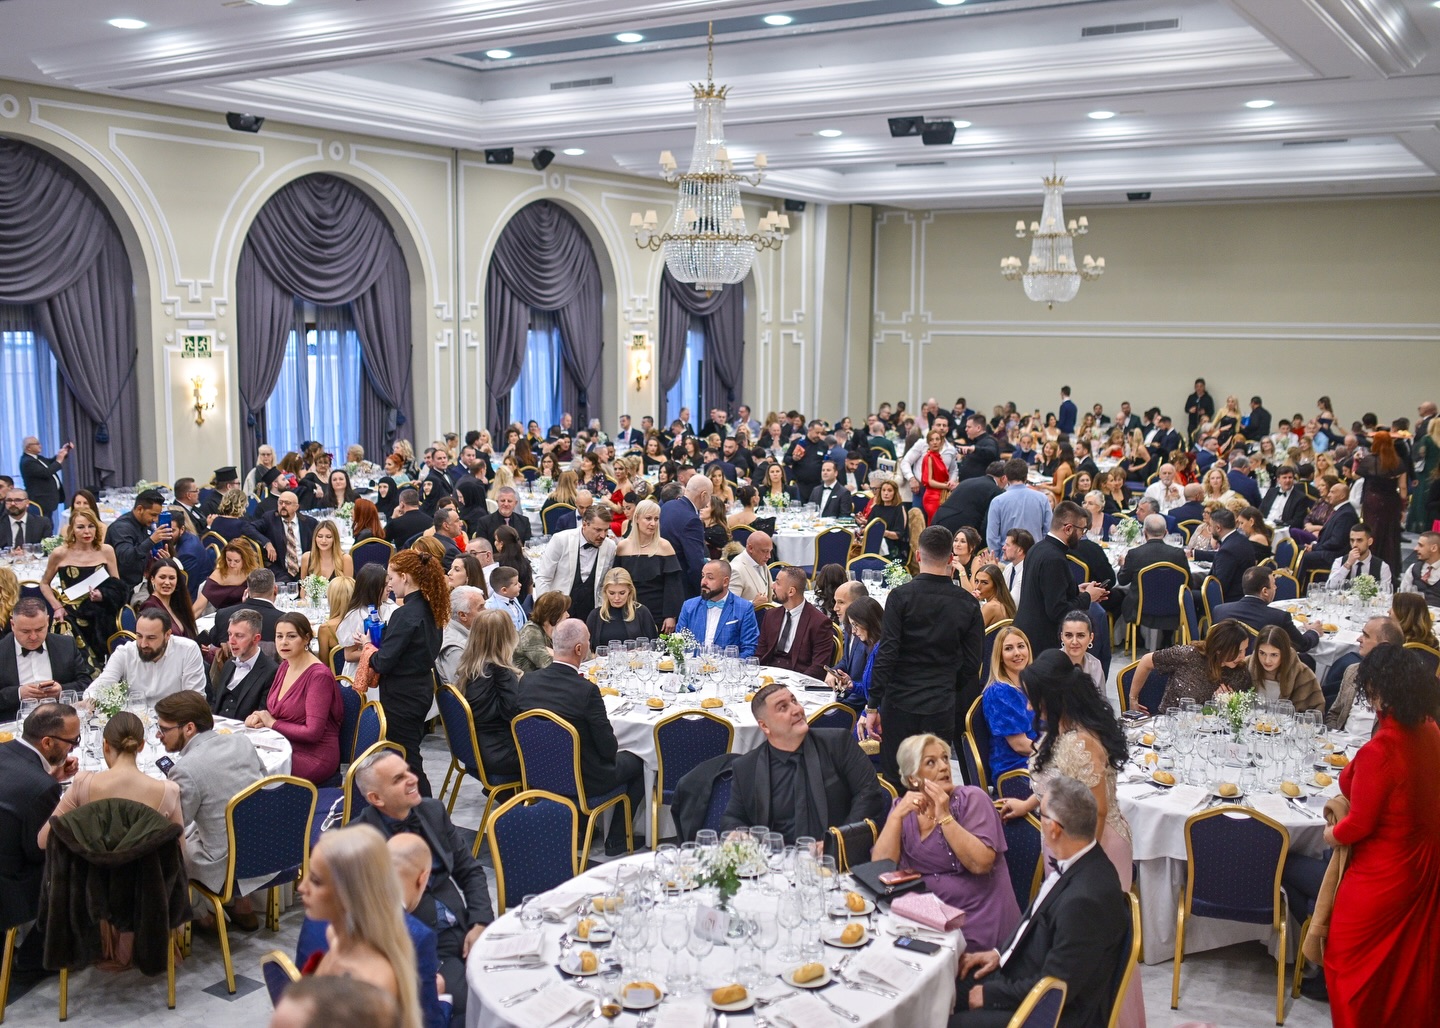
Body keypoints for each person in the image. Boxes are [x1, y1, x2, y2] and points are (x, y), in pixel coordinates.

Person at [1324, 645, 1440, 1027]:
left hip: (1384, 873)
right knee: (1402, 965)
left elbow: (1359, 824)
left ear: (1375, 689)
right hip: (1425, 864)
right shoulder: (1430, 729)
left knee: (1346, 962)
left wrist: (1331, 834)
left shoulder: (1382, 749)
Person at [953, 774, 1128, 1027]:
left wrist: (990, 995)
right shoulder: (1083, 861)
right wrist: (999, 954)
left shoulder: (1084, 901)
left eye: (1041, 815)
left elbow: (1055, 987)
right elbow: (1035, 926)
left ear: (1054, 828)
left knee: (950, 1020)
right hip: (1025, 974)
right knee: (944, 986)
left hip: (1053, 1014)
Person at [35, 710, 184, 969]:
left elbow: (43, 840)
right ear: (142, 745)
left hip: (91, 900)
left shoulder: (83, 784)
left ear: (105, 745)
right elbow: (180, 855)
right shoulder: (168, 791)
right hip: (144, 899)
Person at [353, 749, 495, 996]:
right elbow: (369, 917)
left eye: (408, 771)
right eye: (398, 779)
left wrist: (480, 922)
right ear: (376, 798)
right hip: (417, 946)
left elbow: (469, 871)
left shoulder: (433, 811)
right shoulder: (360, 841)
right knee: (474, 997)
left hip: (463, 926)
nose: (413, 779)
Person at [873, 733, 1019, 952]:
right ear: (913, 779)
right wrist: (896, 817)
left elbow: (981, 863)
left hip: (977, 923)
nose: (944, 767)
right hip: (924, 920)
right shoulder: (904, 809)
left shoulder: (972, 799)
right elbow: (880, 870)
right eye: (931, 762)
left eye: (944, 758)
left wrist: (944, 816)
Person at [865, 526, 985, 784]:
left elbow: (887, 653)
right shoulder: (967, 603)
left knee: (898, 780)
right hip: (940, 703)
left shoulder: (900, 597)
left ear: (918, 556)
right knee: (934, 781)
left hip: (899, 702)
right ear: (951, 558)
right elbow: (973, 662)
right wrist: (948, 685)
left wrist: (872, 704)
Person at [516, 619, 645, 854]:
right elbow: (608, 749)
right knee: (641, 761)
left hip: (537, 773)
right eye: (588, 641)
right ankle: (616, 839)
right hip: (584, 782)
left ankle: (583, 828)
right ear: (579, 649)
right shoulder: (586, 691)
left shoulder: (527, 681)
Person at [154, 690, 268, 924]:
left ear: (189, 728)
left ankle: (202, 916)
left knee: (168, 848)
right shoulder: (242, 741)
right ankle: (243, 905)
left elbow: (177, 823)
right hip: (264, 846)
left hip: (224, 861)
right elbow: (264, 784)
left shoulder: (184, 769)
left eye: (163, 729)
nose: (158, 735)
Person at [722, 683, 887, 843]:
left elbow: (869, 794)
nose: (797, 710)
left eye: (794, 701)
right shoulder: (747, 767)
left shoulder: (838, 744)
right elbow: (734, 817)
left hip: (836, 856)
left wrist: (836, 841)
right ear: (764, 726)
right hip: (777, 857)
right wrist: (738, 834)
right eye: (783, 707)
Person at [295, 825, 423, 1028]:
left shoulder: (372, 982)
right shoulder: (334, 937)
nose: (302, 887)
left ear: (350, 892)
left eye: (316, 881)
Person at [364, 550, 448, 793]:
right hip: (419, 690)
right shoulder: (431, 608)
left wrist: (369, 648)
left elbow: (383, 662)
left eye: (391, 577)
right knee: (408, 755)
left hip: (402, 696)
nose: (389, 584)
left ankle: (425, 809)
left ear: (405, 577)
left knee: (407, 758)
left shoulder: (405, 614)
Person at [0, 703, 77, 946]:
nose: (73, 748)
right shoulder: (42, 788)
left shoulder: (4, 750)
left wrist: (50, 777)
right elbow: (40, 850)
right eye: (73, 741)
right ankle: (44, 952)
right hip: (10, 889)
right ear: (47, 742)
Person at [245, 612, 343, 785]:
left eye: (291, 636)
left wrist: (272, 723)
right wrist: (260, 717)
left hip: (314, 756)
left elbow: (312, 733)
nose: (283, 642)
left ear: (306, 639)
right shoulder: (285, 666)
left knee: (248, 773)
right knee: (238, 759)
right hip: (284, 744)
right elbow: (278, 712)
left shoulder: (318, 676)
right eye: (279, 636)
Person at [1012, 501, 1109, 656]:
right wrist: (1088, 597)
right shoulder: (1054, 558)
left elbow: (1043, 590)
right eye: (1082, 530)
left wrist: (1076, 591)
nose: (1083, 535)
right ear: (1068, 529)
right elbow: (1058, 611)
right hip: (1042, 641)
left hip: (1026, 631)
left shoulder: (1038, 547)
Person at [37, 507, 127, 671]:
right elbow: (44, 584)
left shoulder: (106, 551)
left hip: (100, 614)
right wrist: (57, 607)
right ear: (72, 529)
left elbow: (118, 587)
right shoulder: (60, 553)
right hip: (70, 614)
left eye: (91, 526)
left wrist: (102, 595)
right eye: (81, 527)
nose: (87, 531)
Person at [1127, 619, 1253, 713]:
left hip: (1214, 733)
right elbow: (1146, 661)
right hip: (1171, 724)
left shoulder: (1240, 673)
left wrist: (1230, 705)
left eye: (1245, 650)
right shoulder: (1189, 656)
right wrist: (1133, 698)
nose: (1243, 657)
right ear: (1220, 649)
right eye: (1238, 652)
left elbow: (1245, 713)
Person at [85, 609, 206, 705]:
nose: (143, 644)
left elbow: (195, 698)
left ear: (167, 635)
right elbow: (101, 685)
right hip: (134, 721)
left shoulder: (187, 650)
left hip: (174, 719)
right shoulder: (125, 653)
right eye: (139, 636)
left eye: (151, 638)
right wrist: (89, 703)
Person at [455, 609, 522, 780]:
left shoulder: (470, 668)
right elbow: (516, 715)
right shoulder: (501, 672)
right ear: (507, 637)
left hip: (475, 749)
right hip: (500, 754)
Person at [0, 597, 93, 720]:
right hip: (14, 722)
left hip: (61, 720)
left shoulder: (66, 645)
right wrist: (18, 693)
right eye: (26, 631)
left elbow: (86, 683)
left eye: (39, 629)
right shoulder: (2, 650)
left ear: (48, 621)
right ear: (13, 625)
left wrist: (62, 691)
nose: (33, 637)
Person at [532, 504, 617, 624]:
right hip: (560, 611)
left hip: (592, 613)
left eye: (606, 530)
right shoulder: (561, 540)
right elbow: (543, 578)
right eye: (598, 530)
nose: (603, 535)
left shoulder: (610, 546)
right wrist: (547, 611)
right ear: (584, 524)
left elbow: (603, 584)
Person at [1213, 566, 1321, 655]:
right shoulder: (1279, 617)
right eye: (1274, 584)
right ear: (1265, 591)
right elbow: (1302, 645)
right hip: (1260, 669)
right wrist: (1313, 631)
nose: (1276, 588)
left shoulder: (1219, 610)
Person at [613, 498, 684, 632]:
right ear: (637, 518)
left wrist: (670, 615)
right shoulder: (623, 547)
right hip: (628, 610)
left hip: (658, 613)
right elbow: (616, 582)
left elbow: (673, 586)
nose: (653, 523)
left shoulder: (665, 547)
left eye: (656, 519)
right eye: (648, 518)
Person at [755, 566, 834, 679]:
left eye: (777, 583)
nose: (773, 586)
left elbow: (819, 667)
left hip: (799, 680)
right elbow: (760, 654)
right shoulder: (771, 615)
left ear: (791, 591)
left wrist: (795, 684)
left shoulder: (819, 622)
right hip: (768, 678)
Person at [674, 560, 760, 656]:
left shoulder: (744, 608)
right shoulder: (689, 606)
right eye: (703, 576)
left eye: (710, 578)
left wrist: (731, 664)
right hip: (694, 664)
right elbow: (678, 644)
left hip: (728, 665)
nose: (703, 582)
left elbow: (749, 648)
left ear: (725, 582)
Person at [982, 626, 1036, 777]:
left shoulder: (1031, 684)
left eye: (1021, 646)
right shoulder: (1000, 692)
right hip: (1016, 768)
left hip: (1038, 757)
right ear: (999, 656)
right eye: (1008, 648)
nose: (1017, 653)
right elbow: (1020, 746)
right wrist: (1057, 755)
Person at [208, 608, 281, 720]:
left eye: (239, 636)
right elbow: (215, 702)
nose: (231, 641)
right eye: (230, 634)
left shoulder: (271, 671)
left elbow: (262, 715)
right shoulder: (229, 664)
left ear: (256, 639)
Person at [1357, 430, 1407, 579]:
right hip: (1391, 501)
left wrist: (1356, 461)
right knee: (1390, 534)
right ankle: (1390, 569)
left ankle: (1370, 566)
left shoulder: (1369, 460)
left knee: (1372, 531)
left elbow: (1354, 475)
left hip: (1372, 500)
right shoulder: (1398, 461)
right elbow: (1403, 488)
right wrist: (1403, 508)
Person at [1247, 625, 1323, 712]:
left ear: (1284, 654)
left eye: (1274, 655)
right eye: (1262, 653)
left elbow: (1315, 712)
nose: (1267, 660)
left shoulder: (1303, 675)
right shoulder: (1245, 666)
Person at [984, 459, 1050, 555]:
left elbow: (992, 536)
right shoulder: (1042, 499)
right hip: (1035, 555)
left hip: (1008, 557)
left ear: (1006, 477)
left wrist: (998, 557)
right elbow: (1048, 531)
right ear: (1026, 476)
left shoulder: (997, 501)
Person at [1189, 506, 1254, 603]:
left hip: (1229, 600)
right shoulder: (1241, 539)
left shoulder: (1227, 551)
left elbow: (1218, 589)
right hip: (1240, 593)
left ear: (1218, 528)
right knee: (1193, 581)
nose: (1209, 529)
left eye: (1210, 526)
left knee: (1183, 594)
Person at [660, 476, 710, 599]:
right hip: (682, 588)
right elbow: (695, 565)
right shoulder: (692, 520)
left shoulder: (668, 505)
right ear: (703, 495)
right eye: (710, 495)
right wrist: (702, 594)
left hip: (662, 579)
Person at [585, 567, 658, 648]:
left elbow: (653, 646)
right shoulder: (595, 615)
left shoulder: (642, 612)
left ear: (630, 591)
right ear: (605, 592)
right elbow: (587, 649)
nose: (617, 598)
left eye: (622, 593)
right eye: (612, 593)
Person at [935, 460, 1006, 536]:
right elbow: (987, 522)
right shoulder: (995, 491)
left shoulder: (967, 481)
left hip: (938, 519)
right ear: (1003, 478)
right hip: (959, 528)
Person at [139, 556, 201, 641]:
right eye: (162, 577)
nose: (167, 582)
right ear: (152, 579)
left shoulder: (177, 604)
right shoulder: (149, 607)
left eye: (172, 578)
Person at [197, 540, 261, 616]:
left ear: (246, 560)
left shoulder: (252, 572)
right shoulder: (219, 574)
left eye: (236, 561)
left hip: (249, 614)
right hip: (226, 616)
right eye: (229, 560)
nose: (232, 564)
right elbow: (199, 607)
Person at [435, 584, 484, 685]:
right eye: (481, 608)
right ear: (462, 615)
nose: (486, 611)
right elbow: (462, 687)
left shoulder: (473, 632)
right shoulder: (454, 649)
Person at [1324, 522, 1393, 592]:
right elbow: (1329, 587)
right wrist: (1347, 564)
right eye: (1352, 540)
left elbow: (1386, 594)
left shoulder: (1382, 567)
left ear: (1370, 541)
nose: (1355, 544)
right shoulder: (1339, 562)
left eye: (1359, 540)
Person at [515, 591, 568, 675]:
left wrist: (555, 654)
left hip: (544, 678)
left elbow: (581, 655)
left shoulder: (554, 629)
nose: (568, 615)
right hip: (526, 680)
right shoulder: (531, 632)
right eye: (564, 611)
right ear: (554, 614)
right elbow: (548, 665)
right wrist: (559, 655)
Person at [1058, 609, 1105, 695]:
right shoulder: (1051, 665)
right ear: (1062, 637)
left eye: (1080, 635)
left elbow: (1101, 700)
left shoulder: (1095, 665)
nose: (1074, 642)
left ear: (1091, 637)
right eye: (1069, 635)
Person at [727, 529, 773, 605]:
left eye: (770, 551)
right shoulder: (736, 569)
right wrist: (752, 604)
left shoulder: (760, 561)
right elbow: (730, 605)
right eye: (765, 551)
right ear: (751, 548)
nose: (769, 556)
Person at [1398, 529, 1440, 604]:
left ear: (1434, 548)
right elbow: (1402, 594)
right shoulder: (1413, 568)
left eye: (1421, 545)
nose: (1415, 548)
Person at [970, 563, 1016, 628]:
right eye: (976, 581)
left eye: (984, 583)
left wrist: (971, 603)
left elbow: (971, 631)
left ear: (996, 585)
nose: (977, 587)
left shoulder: (991, 607)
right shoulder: (1003, 602)